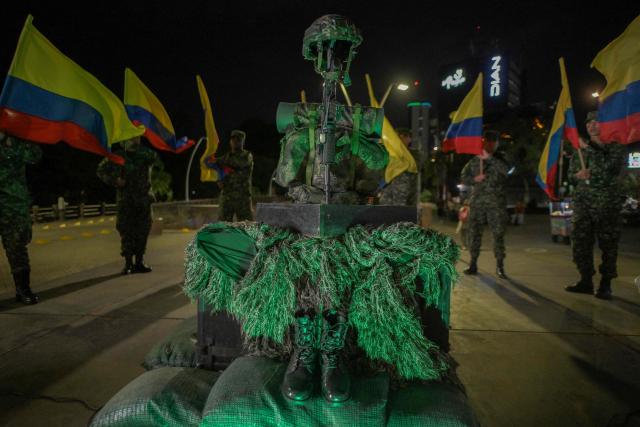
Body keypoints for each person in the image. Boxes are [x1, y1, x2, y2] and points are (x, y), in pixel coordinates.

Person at [565, 111, 627, 300]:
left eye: (596, 121)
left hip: (606, 204)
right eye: (589, 122)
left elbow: (609, 167)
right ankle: (585, 280)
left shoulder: (615, 147)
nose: (591, 125)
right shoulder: (580, 151)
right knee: (580, 243)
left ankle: (606, 284)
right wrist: (577, 176)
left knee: (608, 244)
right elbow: (570, 175)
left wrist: (589, 148)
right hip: (583, 204)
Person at [97, 137, 157, 275]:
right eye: (130, 138)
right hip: (126, 201)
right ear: (123, 140)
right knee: (126, 231)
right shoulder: (117, 156)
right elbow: (101, 170)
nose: (134, 140)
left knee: (143, 231)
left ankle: (140, 261)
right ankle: (128, 263)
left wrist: (137, 148)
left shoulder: (146, 154)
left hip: (143, 199)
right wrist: (114, 180)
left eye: (136, 137)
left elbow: (153, 158)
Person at [0, 131, 42, 304]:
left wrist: (13, 141)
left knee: (17, 248)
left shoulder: (17, 140)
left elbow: (35, 156)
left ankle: (23, 289)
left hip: (13, 205)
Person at [460, 133, 509, 278]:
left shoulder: (500, 160)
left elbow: (506, 172)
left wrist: (490, 159)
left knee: (498, 234)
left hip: (496, 204)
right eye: (489, 142)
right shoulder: (474, 162)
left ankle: (500, 266)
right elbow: (464, 177)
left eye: (495, 142)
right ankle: (473, 263)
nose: (492, 145)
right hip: (477, 203)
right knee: (474, 234)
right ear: (484, 143)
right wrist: (475, 178)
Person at [218, 130, 254, 221]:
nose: (235, 142)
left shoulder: (246, 155)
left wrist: (220, 162)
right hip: (227, 196)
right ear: (230, 141)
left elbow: (240, 163)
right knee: (223, 226)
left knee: (246, 227)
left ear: (242, 142)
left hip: (242, 198)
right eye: (233, 140)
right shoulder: (226, 156)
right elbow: (216, 167)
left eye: (238, 140)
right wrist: (218, 179)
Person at [379, 128, 418, 206]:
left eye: (403, 137)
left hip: (404, 186)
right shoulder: (390, 151)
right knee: (385, 207)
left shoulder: (412, 154)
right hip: (388, 184)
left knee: (399, 209)